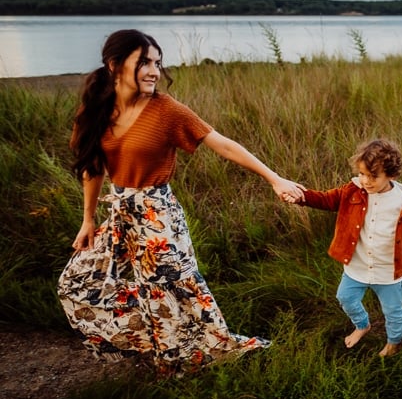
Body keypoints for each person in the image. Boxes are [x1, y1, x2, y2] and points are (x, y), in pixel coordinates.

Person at [58, 29, 305, 377]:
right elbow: (92, 168)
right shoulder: (98, 109)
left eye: (157, 63)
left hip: (158, 218)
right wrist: (87, 219)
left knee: (168, 293)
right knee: (77, 284)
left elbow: (222, 143)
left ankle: (179, 357)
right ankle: (166, 342)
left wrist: (274, 178)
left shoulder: (166, 110)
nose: (153, 71)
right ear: (115, 65)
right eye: (143, 62)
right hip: (120, 213)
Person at [291, 138, 402, 357]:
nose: (365, 180)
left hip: (388, 271)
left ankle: (394, 343)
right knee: (345, 297)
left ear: (391, 175)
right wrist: (301, 196)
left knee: (393, 312)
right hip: (357, 266)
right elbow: (326, 199)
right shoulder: (352, 191)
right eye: (362, 173)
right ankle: (362, 325)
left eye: (373, 176)